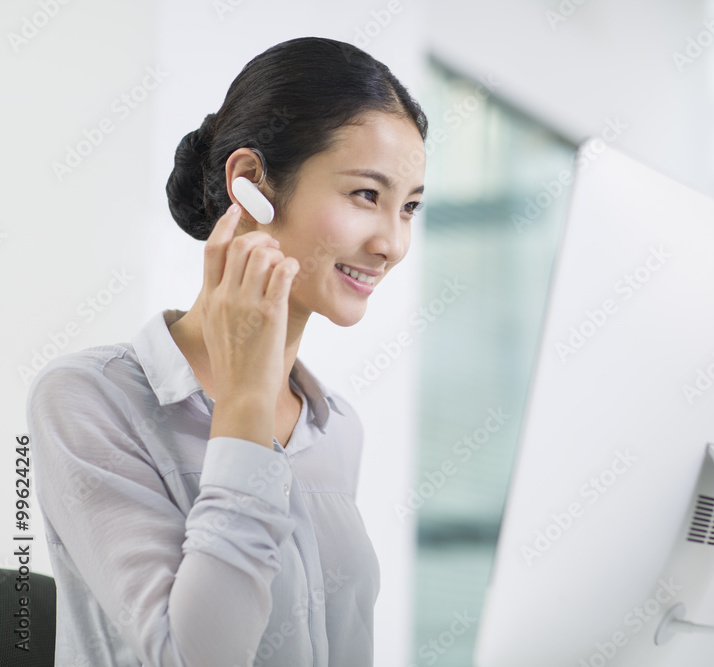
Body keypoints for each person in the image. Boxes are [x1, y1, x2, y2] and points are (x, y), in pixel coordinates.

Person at [25, 36, 427, 666]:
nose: (393, 243)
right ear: (250, 185)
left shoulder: (335, 426)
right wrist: (244, 401)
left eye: (410, 207)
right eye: (366, 196)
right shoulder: (87, 399)